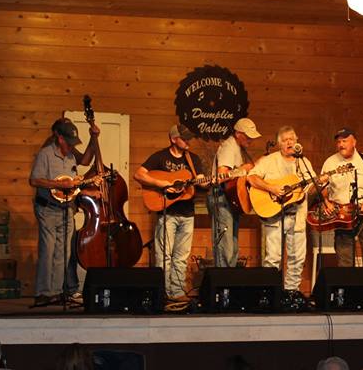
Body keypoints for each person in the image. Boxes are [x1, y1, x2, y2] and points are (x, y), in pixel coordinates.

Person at [29, 118, 99, 307]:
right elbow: (35, 180)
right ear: (59, 137)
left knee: (63, 252)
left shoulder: (70, 154)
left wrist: (94, 139)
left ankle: (57, 292)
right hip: (47, 209)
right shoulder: (46, 154)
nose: (70, 146)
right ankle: (43, 293)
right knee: (48, 250)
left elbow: (85, 159)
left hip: (66, 209)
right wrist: (59, 184)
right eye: (68, 141)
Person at [133, 124, 207, 302]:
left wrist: (205, 181)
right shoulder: (160, 157)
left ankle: (177, 292)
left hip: (188, 213)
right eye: (184, 138)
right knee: (164, 255)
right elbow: (139, 174)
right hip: (167, 213)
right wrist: (163, 184)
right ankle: (163, 293)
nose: (188, 141)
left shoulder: (193, 159)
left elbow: (202, 182)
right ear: (174, 139)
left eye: (189, 138)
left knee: (181, 257)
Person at [246, 126, 325, 291]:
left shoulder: (303, 162)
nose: (289, 142)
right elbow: (251, 177)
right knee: (273, 258)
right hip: (275, 216)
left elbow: (308, 189)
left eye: (292, 139)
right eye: (285, 140)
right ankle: (269, 292)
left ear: (297, 142)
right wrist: (271, 188)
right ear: (279, 144)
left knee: (297, 258)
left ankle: (291, 293)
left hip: (297, 217)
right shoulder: (269, 160)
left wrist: (319, 182)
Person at [320, 127, 363, 267]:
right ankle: (347, 287)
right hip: (341, 214)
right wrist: (326, 202)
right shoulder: (330, 162)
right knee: (344, 256)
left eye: (345, 141)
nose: (341, 144)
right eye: (339, 142)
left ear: (354, 142)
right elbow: (323, 187)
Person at [207, 117, 262, 267]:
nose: (251, 140)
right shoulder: (229, 147)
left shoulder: (238, 148)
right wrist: (243, 169)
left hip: (230, 199)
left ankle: (228, 283)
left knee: (233, 246)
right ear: (238, 133)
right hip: (221, 199)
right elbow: (221, 175)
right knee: (225, 247)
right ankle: (222, 285)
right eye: (248, 136)